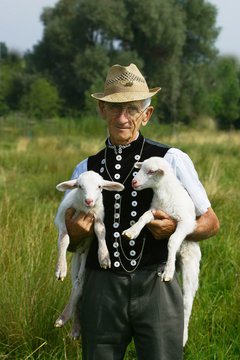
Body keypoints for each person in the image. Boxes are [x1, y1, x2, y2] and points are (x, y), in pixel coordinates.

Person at [64, 63, 220, 360]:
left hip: (157, 285)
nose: (123, 118)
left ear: (146, 115)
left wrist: (176, 228)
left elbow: (211, 223)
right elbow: (73, 244)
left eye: (132, 109)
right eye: (114, 108)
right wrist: (73, 234)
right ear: (102, 110)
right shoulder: (86, 169)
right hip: (101, 289)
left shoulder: (171, 159)